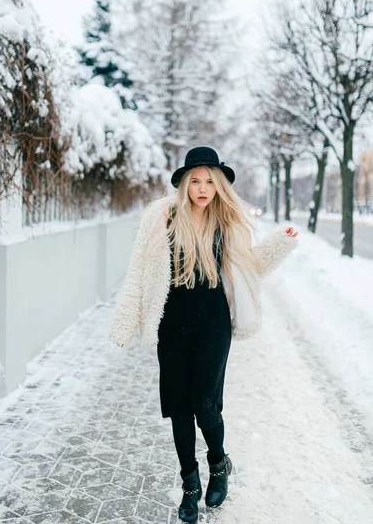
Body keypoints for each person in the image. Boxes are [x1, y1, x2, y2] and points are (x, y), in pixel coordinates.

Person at [110, 146, 299, 523]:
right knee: (179, 407)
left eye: (209, 182)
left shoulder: (226, 224)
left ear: (218, 186)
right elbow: (138, 273)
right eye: (195, 181)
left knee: (204, 402)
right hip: (172, 324)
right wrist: (125, 321)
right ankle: (190, 485)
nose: (201, 188)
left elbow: (251, 269)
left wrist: (282, 243)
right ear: (183, 184)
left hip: (214, 323)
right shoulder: (161, 220)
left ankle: (218, 464)